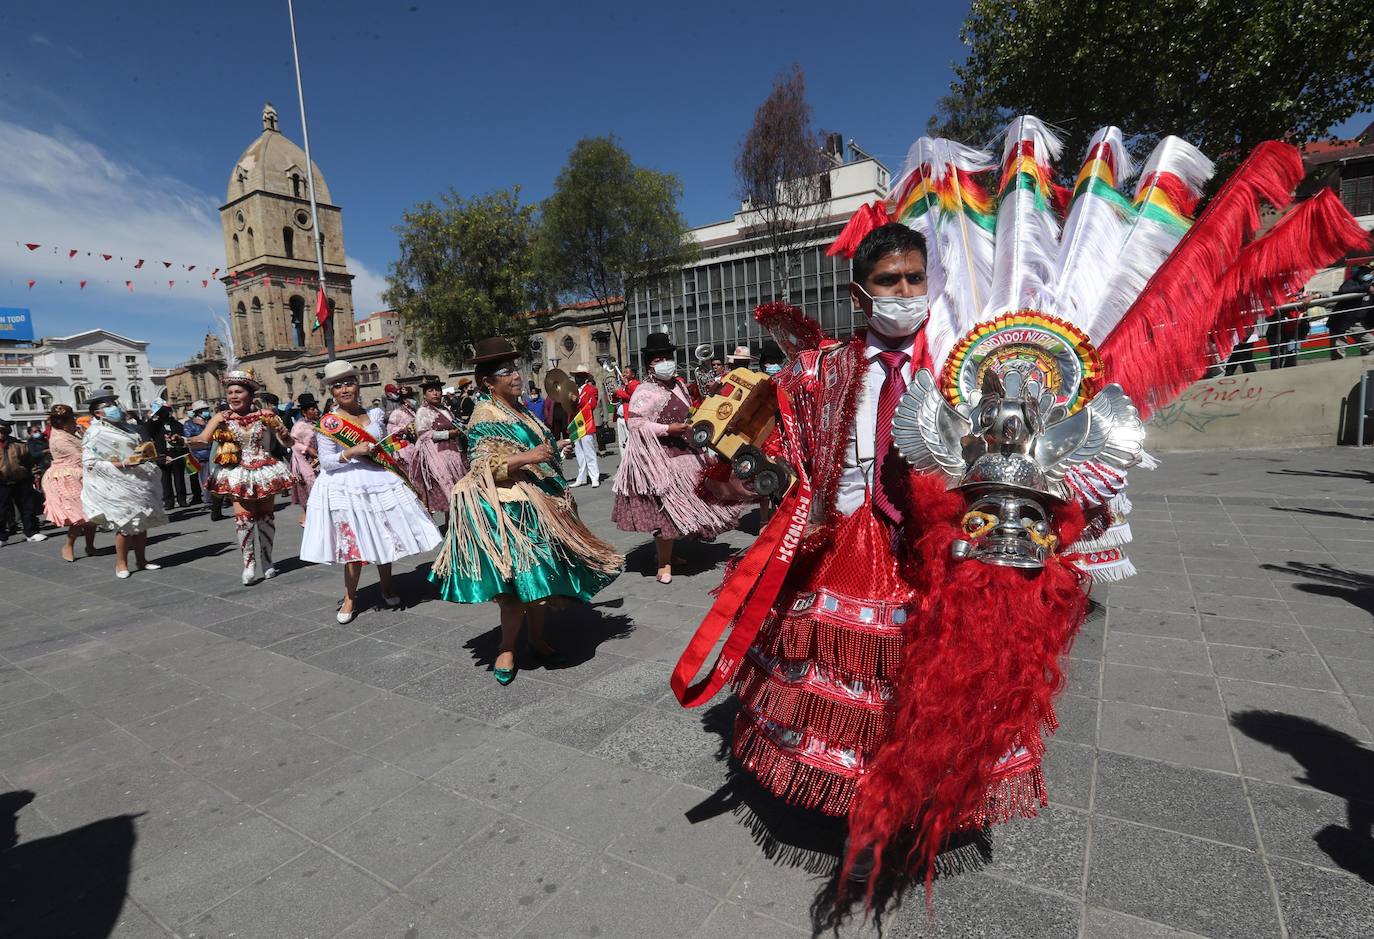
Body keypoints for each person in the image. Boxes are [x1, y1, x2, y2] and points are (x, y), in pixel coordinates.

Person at [430, 338, 622, 684]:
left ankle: (535, 638)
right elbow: (481, 465)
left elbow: (530, 446)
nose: (515, 376)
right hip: (509, 509)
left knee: (540, 580)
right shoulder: (485, 414)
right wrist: (530, 458)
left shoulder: (518, 410)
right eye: (505, 372)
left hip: (538, 502)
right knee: (516, 587)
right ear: (488, 381)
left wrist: (553, 447)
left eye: (515, 369)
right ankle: (507, 647)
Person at [303, 359, 441, 624]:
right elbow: (327, 462)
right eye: (337, 385)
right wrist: (352, 451)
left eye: (348, 383)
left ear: (357, 385)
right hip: (346, 485)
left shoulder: (375, 415)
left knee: (382, 535)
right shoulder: (329, 423)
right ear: (331, 391)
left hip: (378, 480)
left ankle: (387, 586)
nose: (344, 389)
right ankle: (350, 597)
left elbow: (383, 445)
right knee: (352, 544)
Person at [612, 332, 744, 584]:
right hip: (660, 460)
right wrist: (667, 429)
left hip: (687, 453)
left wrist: (709, 398)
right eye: (659, 358)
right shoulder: (644, 391)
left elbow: (690, 410)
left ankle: (669, 555)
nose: (665, 362)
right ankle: (663, 563)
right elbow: (636, 424)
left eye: (667, 357)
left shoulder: (679, 385)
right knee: (666, 514)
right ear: (650, 363)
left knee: (684, 510)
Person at [187, 369, 294, 585]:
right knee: (244, 520)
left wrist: (283, 433)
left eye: (238, 391)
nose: (233, 396)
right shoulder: (221, 417)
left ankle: (267, 560)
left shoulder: (267, 416)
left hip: (264, 469)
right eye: (230, 392)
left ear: (250, 394)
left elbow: (287, 444)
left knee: (265, 518)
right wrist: (185, 440)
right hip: (237, 471)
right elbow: (204, 439)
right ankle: (248, 563)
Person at [80, 394, 164, 577]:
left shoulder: (129, 427)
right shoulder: (95, 433)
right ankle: (121, 564)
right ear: (98, 413)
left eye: (115, 404)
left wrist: (151, 456)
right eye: (108, 406)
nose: (115, 408)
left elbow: (141, 448)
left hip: (139, 481)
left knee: (141, 523)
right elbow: (90, 462)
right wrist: (122, 464)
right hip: (116, 483)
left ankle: (142, 560)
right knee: (125, 524)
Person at [40, 405, 97, 562]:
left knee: (92, 513)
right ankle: (68, 545)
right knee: (79, 515)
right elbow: (79, 456)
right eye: (72, 420)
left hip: (81, 475)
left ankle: (90, 546)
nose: (74, 422)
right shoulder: (59, 439)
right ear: (64, 423)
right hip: (67, 479)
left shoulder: (68, 434)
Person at [410, 378, 468, 515]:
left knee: (462, 491)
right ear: (424, 395)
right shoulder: (423, 412)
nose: (435, 393)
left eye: (437, 390)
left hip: (455, 453)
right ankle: (455, 527)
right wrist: (449, 434)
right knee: (450, 494)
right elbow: (424, 435)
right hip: (439, 457)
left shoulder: (445, 409)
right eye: (431, 391)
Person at [0, 419, 46, 543]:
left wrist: (33, 472)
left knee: (27, 507)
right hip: (2, 482)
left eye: (4, 431)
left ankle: (31, 532)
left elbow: (29, 461)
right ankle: (1, 536)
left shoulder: (17, 444)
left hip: (21, 480)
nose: (2, 434)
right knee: (2, 510)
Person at [145, 399, 195, 509]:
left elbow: (182, 437)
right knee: (165, 479)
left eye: (168, 411)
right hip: (162, 454)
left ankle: (182, 499)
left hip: (176, 453)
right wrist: (151, 416)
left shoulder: (176, 424)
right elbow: (148, 430)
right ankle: (168, 501)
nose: (166, 414)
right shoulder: (156, 425)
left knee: (179, 478)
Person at [289, 393, 322, 526]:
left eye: (315, 408)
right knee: (310, 491)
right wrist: (307, 449)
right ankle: (309, 520)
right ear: (304, 412)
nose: (315, 411)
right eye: (311, 409)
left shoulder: (319, 423)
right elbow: (293, 443)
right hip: (305, 463)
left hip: (319, 462)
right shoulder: (299, 426)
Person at [1327, 265, 1374, 359]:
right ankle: (1337, 371)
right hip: (1340, 322)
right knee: (1338, 352)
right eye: (1363, 271)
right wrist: (1366, 288)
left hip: (1357, 323)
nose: (1364, 274)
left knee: (1371, 344)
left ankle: (1367, 366)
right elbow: (1344, 290)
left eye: (1368, 272)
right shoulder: (1351, 282)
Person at [182, 401, 218, 519]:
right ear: (197, 412)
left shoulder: (211, 421)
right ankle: (209, 501)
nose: (206, 412)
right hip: (201, 455)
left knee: (217, 478)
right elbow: (190, 439)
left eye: (207, 409)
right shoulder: (190, 424)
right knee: (206, 479)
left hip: (215, 454)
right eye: (204, 410)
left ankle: (219, 500)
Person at [569, 365, 601, 487]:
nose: (576, 379)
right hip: (576, 424)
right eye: (576, 376)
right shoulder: (574, 390)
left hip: (586, 424)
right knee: (579, 452)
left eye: (578, 376)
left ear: (584, 377)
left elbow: (591, 405)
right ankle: (581, 477)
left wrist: (577, 400)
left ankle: (594, 477)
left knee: (589, 451)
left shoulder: (592, 390)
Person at [612, 366, 640, 455]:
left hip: (628, 417)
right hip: (620, 417)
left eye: (626, 373)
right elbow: (615, 400)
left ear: (633, 374)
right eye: (623, 372)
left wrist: (619, 391)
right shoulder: (624, 385)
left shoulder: (635, 384)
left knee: (630, 441)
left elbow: (631, 396)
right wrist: (613, 393)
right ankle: (624, 463)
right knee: (622, 443)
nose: (623, 374)